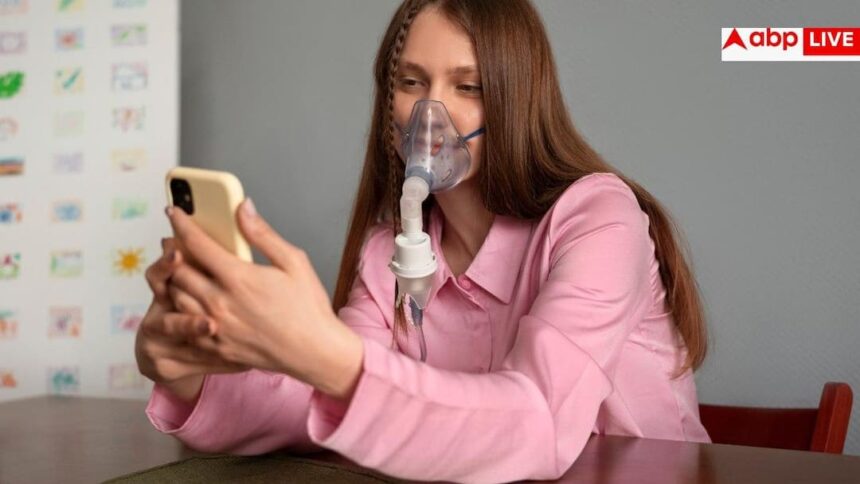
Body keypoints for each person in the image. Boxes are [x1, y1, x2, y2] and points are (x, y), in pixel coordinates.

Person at [135, 1, 712, 481]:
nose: (431, 114)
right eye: (412, 82)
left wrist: (328, 356)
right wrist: (190, 373)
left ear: (516, 99)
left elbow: (538, 421)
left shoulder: (598, 220)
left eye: (469, 86)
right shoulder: (389, 251)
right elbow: (318, 403)